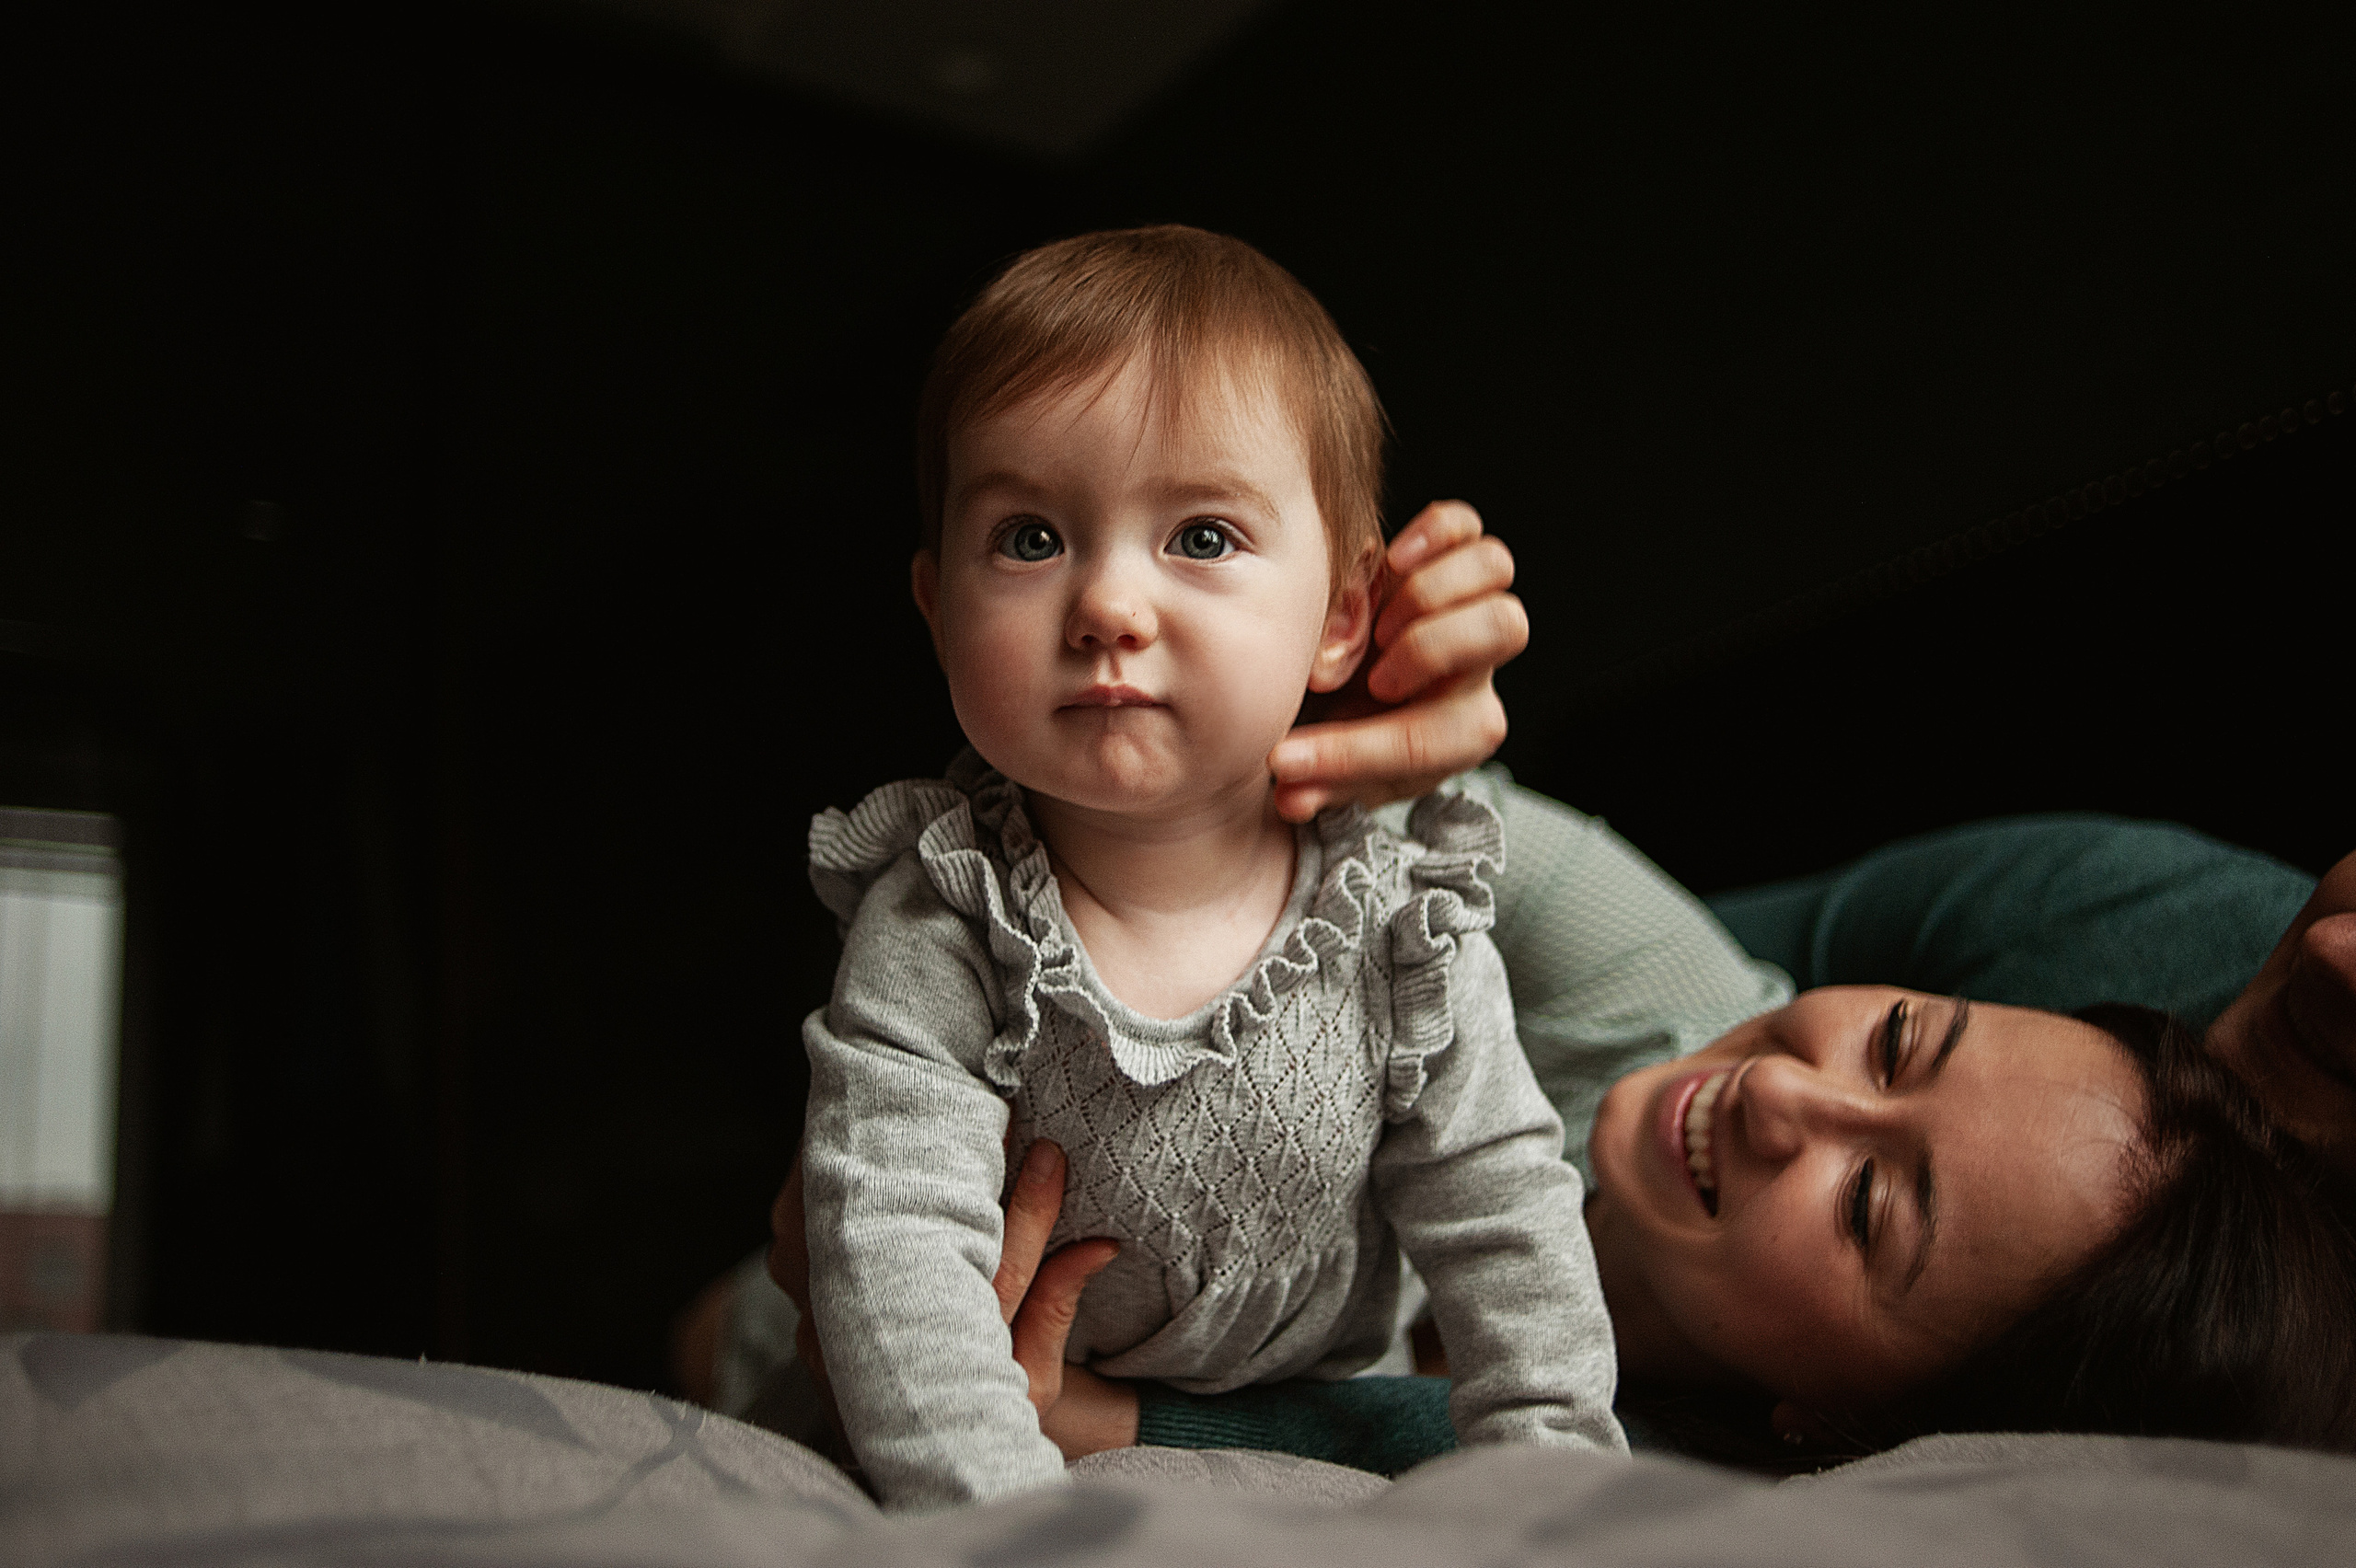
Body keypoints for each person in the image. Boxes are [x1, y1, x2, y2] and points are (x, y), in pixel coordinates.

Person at [794, 226, 1624, 1511]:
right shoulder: (946, 916)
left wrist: (1554, 1480)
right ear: (937, 604)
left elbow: (1505, 1211)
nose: (1109, 605)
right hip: (988, 1427)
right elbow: (894, 1243)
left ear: (1342, 618)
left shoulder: (1402, 921)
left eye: (1201, 537)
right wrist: (1001, 1516)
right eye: (1027, 539)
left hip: (1321, 1400)